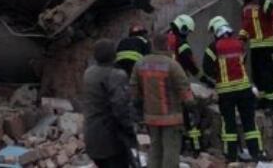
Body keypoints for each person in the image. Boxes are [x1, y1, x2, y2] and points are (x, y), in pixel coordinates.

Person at [203, 16, 264, 163]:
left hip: (226, 92)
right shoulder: (240, 44)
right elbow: (243, 61)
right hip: (244, 89)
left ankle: (231, 155)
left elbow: (207, 68)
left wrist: (218, 76)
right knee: (249, 122)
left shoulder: (213, 47)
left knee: (228, 123)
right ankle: (256, 153)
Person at [130, 31, 192, 168]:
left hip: (151, 116)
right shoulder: (172, 65)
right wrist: (191, 104)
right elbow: (184, 88)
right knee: (171, 149)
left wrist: (139, 105)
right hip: (171, 116)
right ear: (167, 46)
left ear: (153, 45)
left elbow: (133, 89)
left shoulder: (140, 64)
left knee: (155, 149)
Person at [82, 39, 138, 168]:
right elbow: (121, 109)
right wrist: (130, 130)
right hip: (111, 140)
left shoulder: (88, 73)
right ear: (114, 55)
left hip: (91, 136)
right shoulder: (116, 75)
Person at [166, 15, 205, 155]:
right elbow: (191, 66)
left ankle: (178, 148)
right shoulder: (182, 45)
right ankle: (196, 148)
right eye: (187, 31)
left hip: (164, 85)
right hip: (180, 83)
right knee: (190, 115)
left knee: (173, 117)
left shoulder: (165, 39)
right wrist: (205, 80)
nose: (187, 35)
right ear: (183, 28)